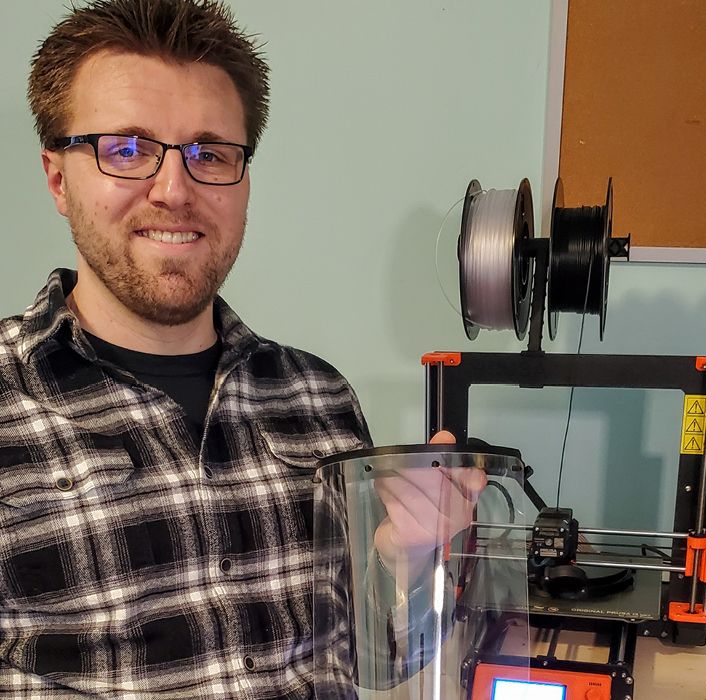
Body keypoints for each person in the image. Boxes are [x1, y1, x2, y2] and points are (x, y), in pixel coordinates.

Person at [0, 1, 485, 697]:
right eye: (127, 148)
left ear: (243, 177)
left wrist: (407, 568)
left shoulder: (319, 397)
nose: (174, 190)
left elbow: (378, 657)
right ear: (57, 178)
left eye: (210, 153)